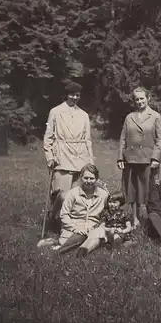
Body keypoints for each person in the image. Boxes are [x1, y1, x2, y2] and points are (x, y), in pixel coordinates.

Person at [43, 80, 94, 221]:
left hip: (80, 157)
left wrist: (90, 160)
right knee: (61, 194)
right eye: (72, 95)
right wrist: (50, 157)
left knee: (77, 195)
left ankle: (70, 226)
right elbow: (48, 137)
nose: (75, 98)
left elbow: (87, 139)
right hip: (62, 156)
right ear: (66, 95)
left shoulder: (83, 114)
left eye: (77, 95)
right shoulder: (55, 111)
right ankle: (54, 219)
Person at [117, 87, 161, 228]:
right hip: (130, 160)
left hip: (148, 161)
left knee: (150, 190)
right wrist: (120, 158)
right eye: (136, 99)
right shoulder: (129, 117)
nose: (139, 101)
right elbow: (123, 139)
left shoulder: (155, 116)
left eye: (142, 98)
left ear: (148, 98)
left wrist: (155, 158)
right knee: (132, 190)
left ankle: (153, 220)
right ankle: (135, 219)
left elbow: (160, 140)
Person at [55, 164, 109, 254]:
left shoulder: (103, 195)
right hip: (74, 226)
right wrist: (75, 228)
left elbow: (108, 212)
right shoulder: (72, 193)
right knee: (68, 239)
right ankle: (69, 246)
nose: (88, 181)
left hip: (92, 227)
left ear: (97, 179)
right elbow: (64, 214)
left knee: (98, 235)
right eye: (86, 178)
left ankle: (83, 251)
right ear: (81, 177)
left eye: (92, 178)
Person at [75, 191, 135, 258]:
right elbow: (102, 226)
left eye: (114, 202)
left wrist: (121, 231)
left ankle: (115, 253)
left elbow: (129, 227)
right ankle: (84, 250)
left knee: (116, 237)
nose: (111, 204)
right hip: (108, 233)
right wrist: (109, 229)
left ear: (120, 203)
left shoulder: (124, 213)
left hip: (121, 234)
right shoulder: (106, 213)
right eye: (110, 202)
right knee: (96, 237)